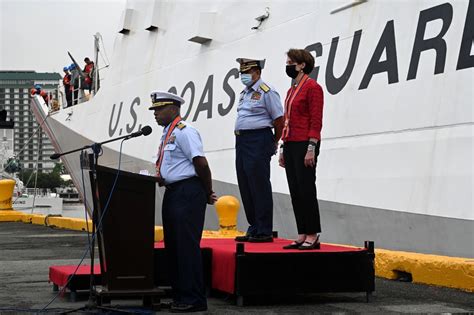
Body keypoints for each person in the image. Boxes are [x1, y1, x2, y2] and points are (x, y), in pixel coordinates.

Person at [151, 91, 217, 312]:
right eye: (154, 110)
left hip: (188, 193)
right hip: (173, 192)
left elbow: (201, 164)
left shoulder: (184, 132)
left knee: (186, 247)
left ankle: (194, 299)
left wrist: (207, 192)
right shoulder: (166, 134)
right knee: (174, 248)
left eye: (159, 109)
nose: (155, 114)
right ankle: (180, 295)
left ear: (174, 109)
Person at [234, 58, 284, 243]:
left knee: (259, 184)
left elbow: (279, 120)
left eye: (246, 73)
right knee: (245, 183)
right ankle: (253, 226)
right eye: (241, 73)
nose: (243, 76)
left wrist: (274, 141)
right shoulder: (244, 93)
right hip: (242, 140)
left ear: (257, 72)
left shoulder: (267, 92)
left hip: (258, 139)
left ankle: (264, 230)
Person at [279, 48, 324, 250]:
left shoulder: (313, 88)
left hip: (305, 143)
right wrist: (282, 147)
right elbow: (288, 119)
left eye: (291, 62)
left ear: (302, 65)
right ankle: (302, 232)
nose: (288, 65)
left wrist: (311, 147)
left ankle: (313, 234)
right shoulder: (291, 90)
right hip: (290, 143)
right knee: (295, 190)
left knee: (306, 189)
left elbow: (316, 120)